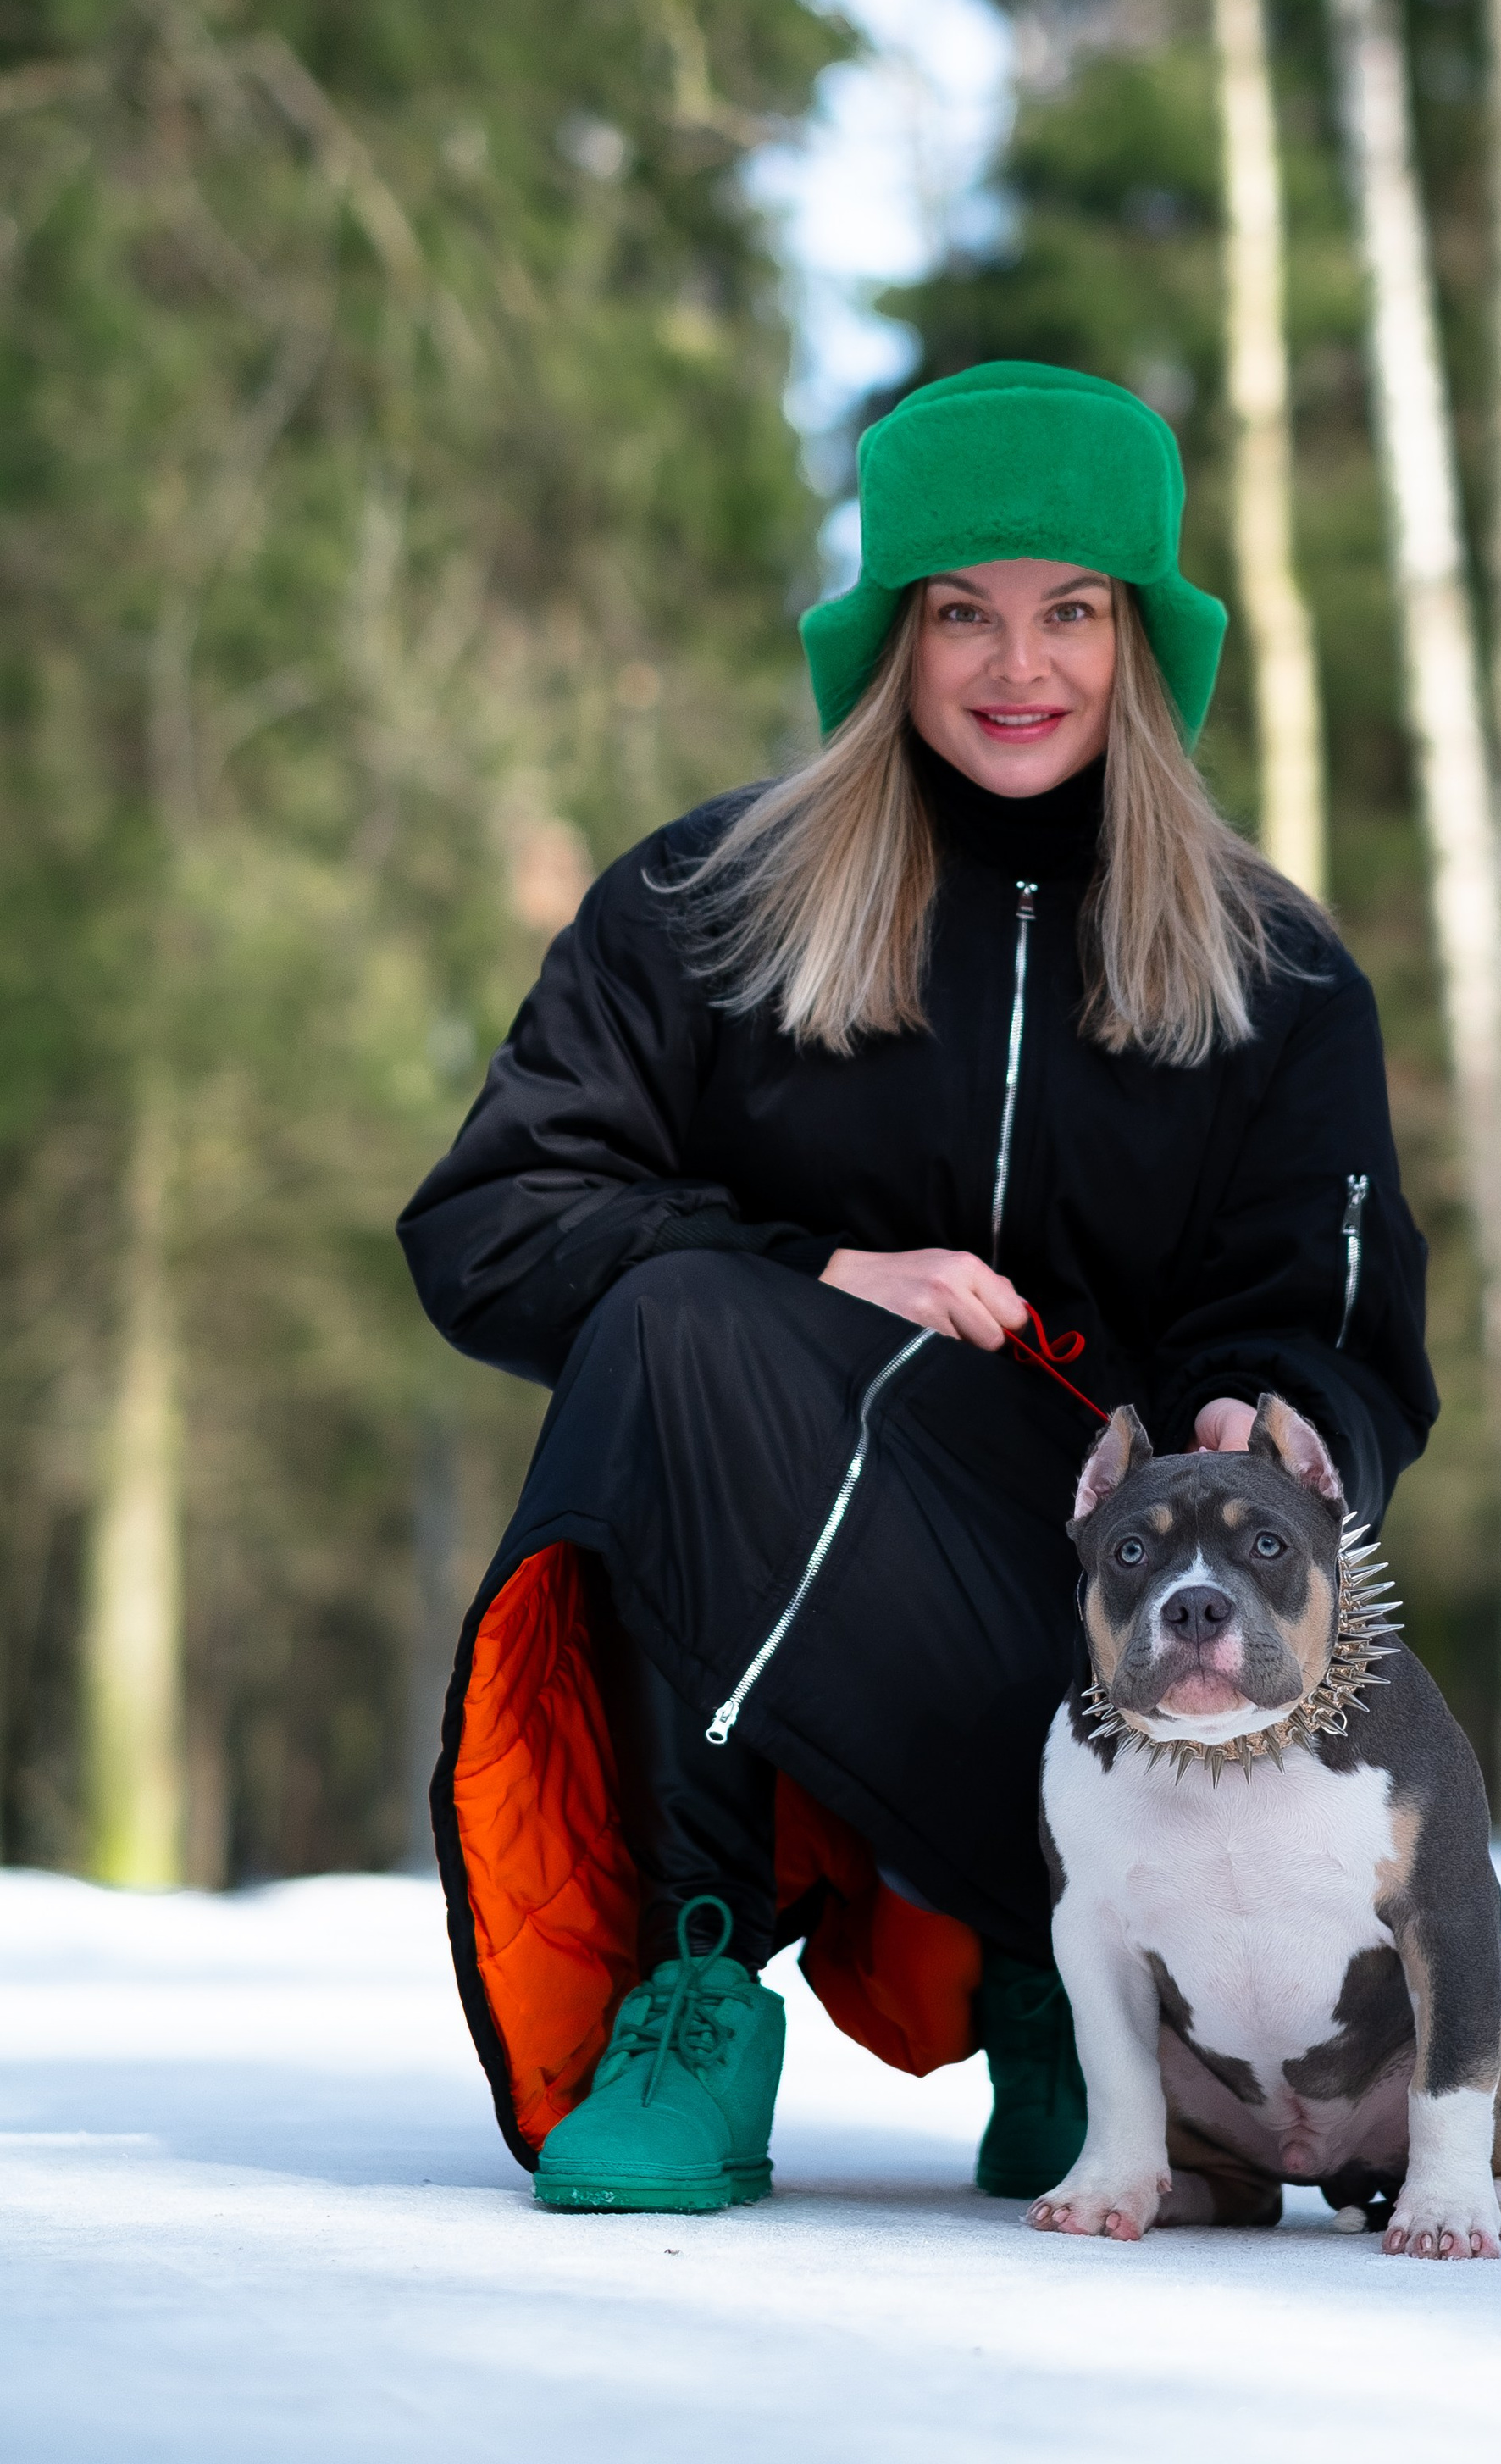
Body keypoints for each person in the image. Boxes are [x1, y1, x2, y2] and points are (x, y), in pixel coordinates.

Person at [400, 359, 1438, 2217]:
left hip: (1094, 1616)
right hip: (770, 1540)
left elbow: (1343, 1322)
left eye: (1071, 612)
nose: (1016, 665)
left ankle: (1071, 1987)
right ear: (892, 636)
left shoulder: (1276, 974)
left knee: (1158, 1542)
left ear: (1141, 640)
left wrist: (1272, 1407)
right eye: (963, 611)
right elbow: (494, 1217)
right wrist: (816, 1276)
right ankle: (694, 1986)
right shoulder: (706, 901)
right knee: (673, 1337)